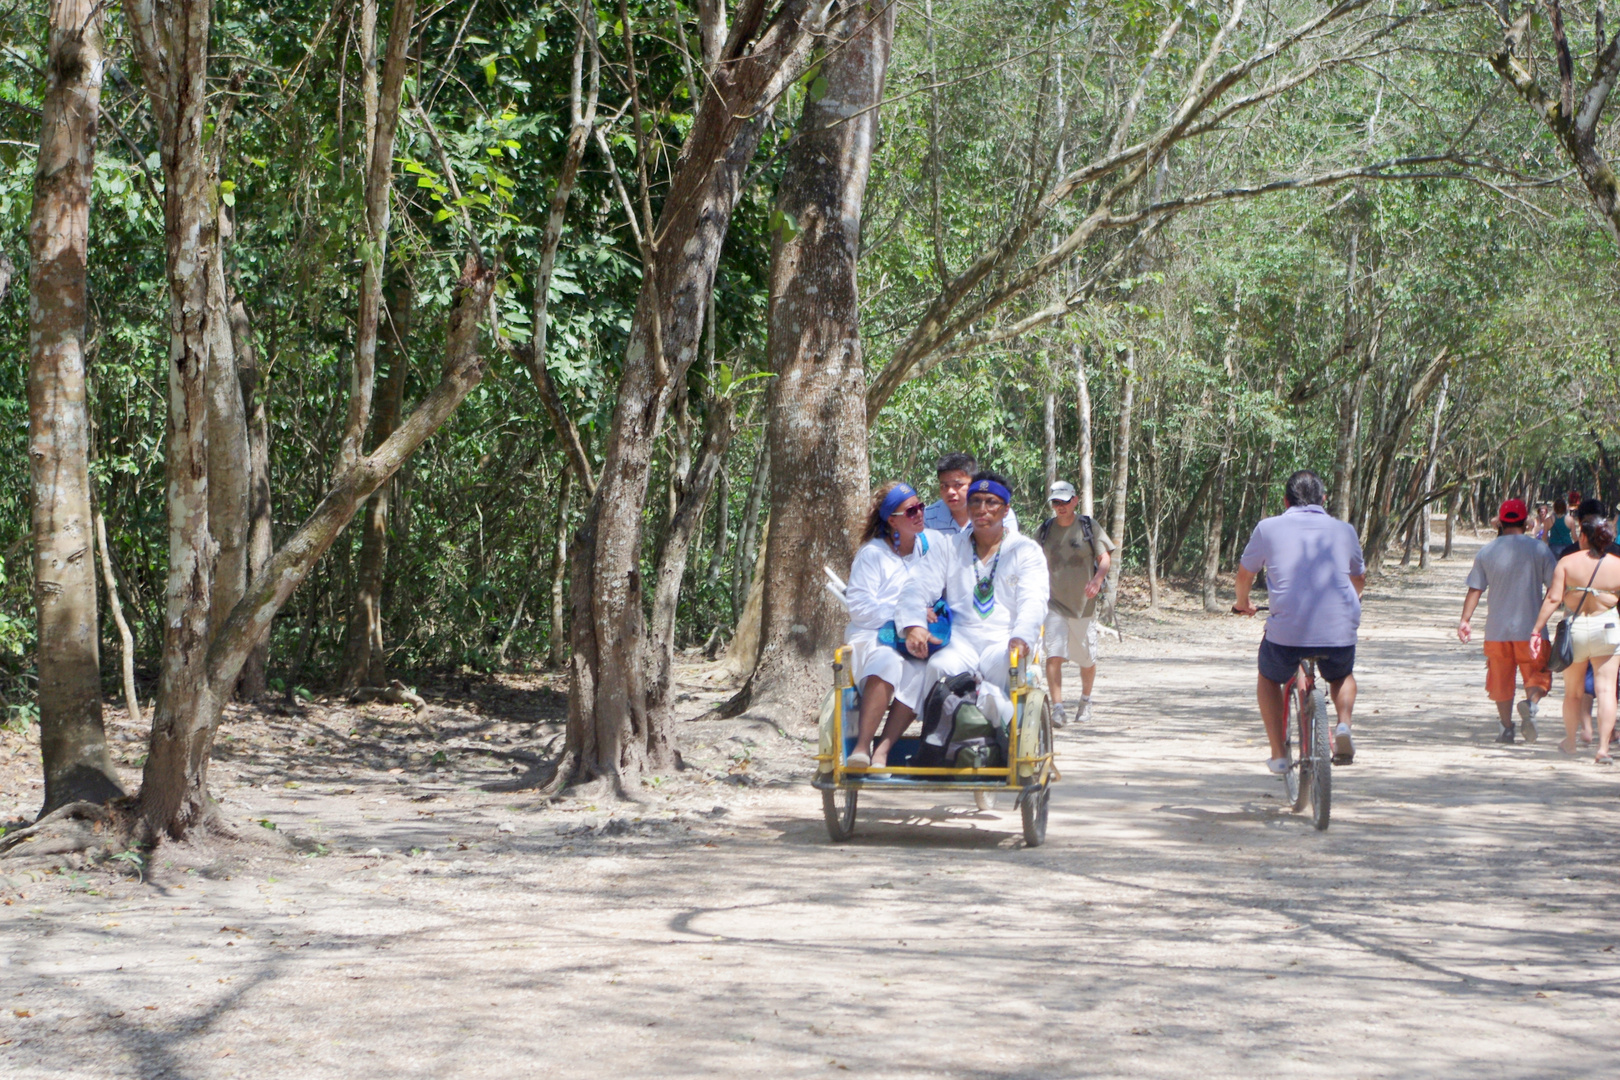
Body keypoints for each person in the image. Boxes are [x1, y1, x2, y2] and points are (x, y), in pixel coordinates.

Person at [1233, 470, 1366, 773]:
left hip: (1286, 634)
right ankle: (1343, 726)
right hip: (1338, 630)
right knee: (1342, 675)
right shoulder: (1344, 530)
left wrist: (1242, 604)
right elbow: (1358, 578)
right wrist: (1350, 601)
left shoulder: (1268, 528)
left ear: (1285, 501)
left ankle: (1279, 754)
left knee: (1268, 677)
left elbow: (1245, 575)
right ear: (1324, 499)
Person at [900, 472, 1048, 720]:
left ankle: (1001, 742)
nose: (982, 509)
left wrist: (1022, 636)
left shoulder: (1025, 550)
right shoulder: (950, 546)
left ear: (1005, 509)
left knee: (1006, 666)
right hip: (961, 641)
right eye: (976, 502)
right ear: (967, 508)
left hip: (1004, 638)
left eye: (991, 502)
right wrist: (913, 624)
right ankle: (940, 742)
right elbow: (916, 586)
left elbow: (1034, 599)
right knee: (938, 667)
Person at [843, 483, 943, 768]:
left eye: (921, 507)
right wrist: (906, 616)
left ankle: (883, 750)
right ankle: (861, 747)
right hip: (872, 635)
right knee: (887, 662)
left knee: (925, 671)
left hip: (912, 637)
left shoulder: (926, 548)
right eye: (911, 511)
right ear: (892, 519)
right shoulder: (872, 554)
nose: (919, 514)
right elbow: (860, 609)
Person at [1456, 499, 1557, 743]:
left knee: (1500, 680)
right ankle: (1530, 707)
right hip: (1532, 630)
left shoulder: (1487, 552)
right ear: (1526, 522)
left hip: (1497, 630)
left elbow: (1475, 589)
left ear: (1501, 523)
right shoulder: (1540, 550)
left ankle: (1506, 728)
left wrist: (1465, 620)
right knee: (1537, 675)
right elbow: (1555, 587)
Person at [1530, 513, 1620, 763]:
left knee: (1573, 693)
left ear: (1583, 536)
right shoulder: (1617, 564)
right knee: (1606, 691)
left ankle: (1570, 742)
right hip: (1609, 628)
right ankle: (1603, 748)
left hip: (1576, 627)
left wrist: (1536, 630)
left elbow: (1553, 599)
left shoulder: (1567, 563)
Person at [1038, 480, 1113, 726]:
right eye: (1055, 502)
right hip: (1053, 604)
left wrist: (1097, 579)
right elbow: (1031, 559)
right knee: (1054, 655)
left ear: (1075, 501)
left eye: (1064, 502)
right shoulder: (1045, 530)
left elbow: (1104, 558)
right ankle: (1058, 708)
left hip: (1083, 606)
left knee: (1087, 659)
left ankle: (1085, 701)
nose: (1060, 507)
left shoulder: (1089, 527)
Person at [923, 452, 1019, 536]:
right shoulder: (927, 517)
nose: (950, 492)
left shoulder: (999, 512)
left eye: (958, 485)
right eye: (944, 486)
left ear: (974, 483)